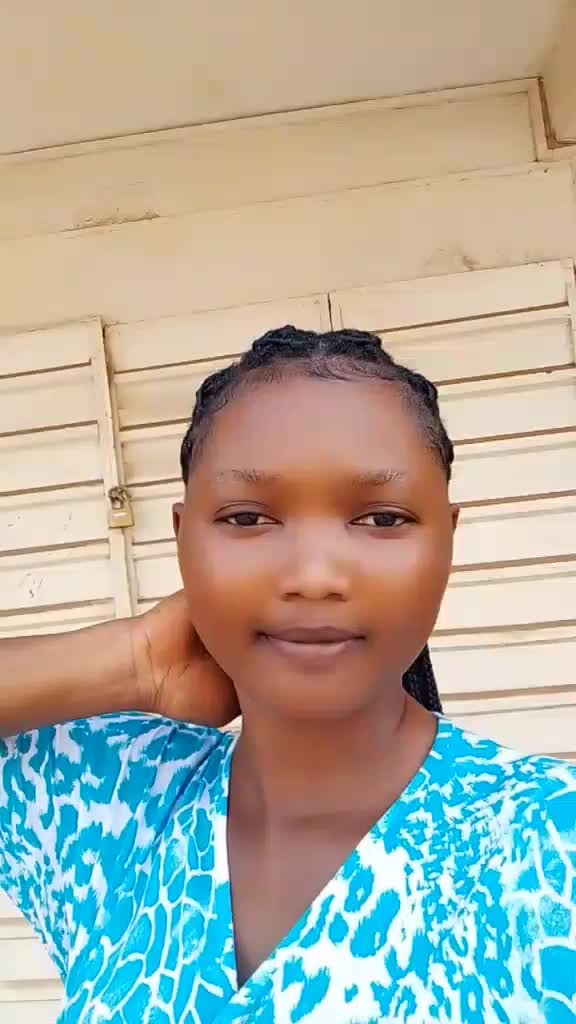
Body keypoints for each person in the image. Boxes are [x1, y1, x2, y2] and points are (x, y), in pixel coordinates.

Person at [0, 326, 575, 1024]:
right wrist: (137, 659)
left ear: (448, 540)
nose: (314, 576)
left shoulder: (551, 846)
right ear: (182, 540)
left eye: (381, 518)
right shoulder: (113, 803)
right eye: (248, 518)